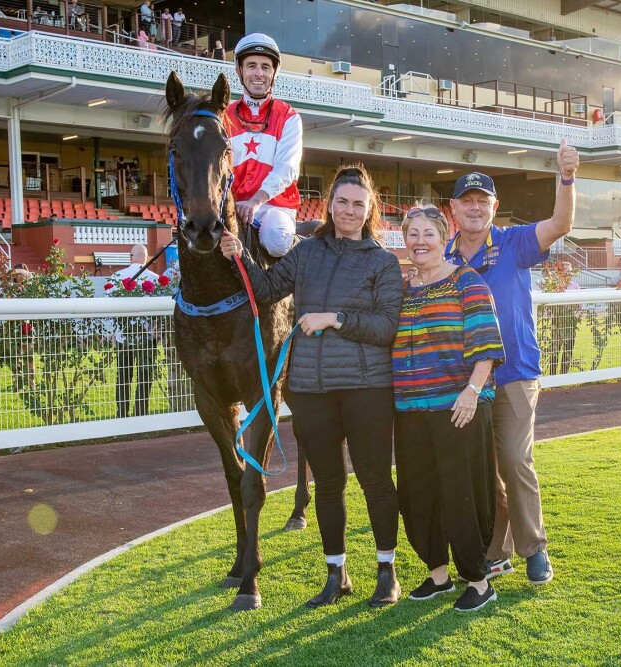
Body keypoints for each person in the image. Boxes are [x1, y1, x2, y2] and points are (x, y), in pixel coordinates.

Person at [220, 164, 403, 609]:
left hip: (365, 389)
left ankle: (387, 572)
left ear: (370, 209)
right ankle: (336, 574)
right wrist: (239, 254)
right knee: (328, 485)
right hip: (310, 389)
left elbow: (386, 327)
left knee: (375, 481)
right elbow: (266, 290)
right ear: (329, 205)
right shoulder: (305, 253)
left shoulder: (383, 262)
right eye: (341, 201)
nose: (349, 210)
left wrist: (334, 319)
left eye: (358, 204)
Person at [444, 140, 579, 586]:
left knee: (515, 461)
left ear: (494, 207)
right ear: (453, 209)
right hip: (466, 380)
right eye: (467, 200)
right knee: (484, 470)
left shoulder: (514, 242)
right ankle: (496, 551)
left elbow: (561, 223)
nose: (475, 208)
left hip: (515, 372)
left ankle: (534, 548)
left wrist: (566, 178)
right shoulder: (443, 257)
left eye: (482, 201)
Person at [393, 205, 505, 612]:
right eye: (413, 234)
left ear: (444, 239)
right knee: (418, 495)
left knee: (463, 494)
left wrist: (471, 392)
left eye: (429, 234)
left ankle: (478, 580)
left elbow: (487, 347)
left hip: (458, 407)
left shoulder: (467, 282)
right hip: (409, 409)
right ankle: (438, 575)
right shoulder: (401, 290)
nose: (420, 241)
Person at [223, 33, 302, 258]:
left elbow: (286, 169)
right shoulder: (223, 116)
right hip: (232, 205)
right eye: (251, 66)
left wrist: (255, 202)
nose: (259, 73)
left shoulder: (289, 117)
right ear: (239, 70)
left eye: (265, 67)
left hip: (274, 206)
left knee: (276, 240)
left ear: (274, 72)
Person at [110, 245, 159, 418]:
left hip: (123, 336)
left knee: (123, 376)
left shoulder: (117, 276)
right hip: (147, 336)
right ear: (147, 257)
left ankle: (122, 413)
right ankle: (141, 413)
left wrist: (113, 332)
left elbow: (110, 307)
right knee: (145, 376)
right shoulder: (155, 278)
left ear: (131, 256)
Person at [548, 261, 582, 376]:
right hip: (557, 322)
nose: (569, 273)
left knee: (568, 350)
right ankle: (552, 376)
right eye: (566, 271)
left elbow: (580, 306)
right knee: (555, 350)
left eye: (570, 271)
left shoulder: (575, 287)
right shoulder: (554, 285)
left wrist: (575, 317)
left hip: (570, 322)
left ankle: (564, 376)